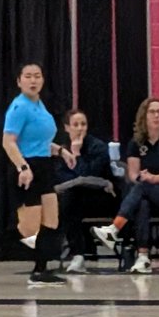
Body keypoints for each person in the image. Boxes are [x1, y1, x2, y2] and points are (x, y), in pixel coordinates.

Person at [0, 63, 77, 287]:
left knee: (52, 220)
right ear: (19, 81)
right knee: (29, 228)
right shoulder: (18, 107)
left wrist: (61, 151)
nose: (33, 80)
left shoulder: (40, 106)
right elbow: (8, 142)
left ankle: (40, 271)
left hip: (45, 167)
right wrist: (23, 168)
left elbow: (40, 142)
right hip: (28, 168)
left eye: (37, 76)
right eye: (28, 76)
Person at [92, 97, 159, 274]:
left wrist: (153, 178)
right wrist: (142, 177)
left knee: (143, 187)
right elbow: (133, 175)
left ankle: (115, 228)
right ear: (144, 116)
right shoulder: (136, 143)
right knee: (142, 202)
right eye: (152, 112)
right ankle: (143, 257)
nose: (156, 116)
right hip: (145, 193)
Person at [54, 108, 115, 274]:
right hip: (73, 199)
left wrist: (77, 154)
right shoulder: (62, 150)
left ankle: (77, 254)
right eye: (75, 125)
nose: (80, 128)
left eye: (83, 124)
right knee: (68, 198)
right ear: (67, 128)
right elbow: (61, 179)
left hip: (100, 199)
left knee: (71, 198)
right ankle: (76, 255)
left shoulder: (98, 147)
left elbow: (89, 175)